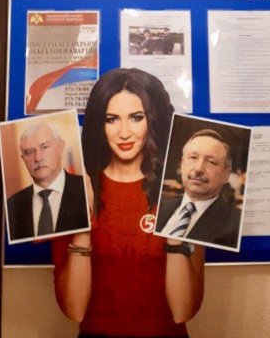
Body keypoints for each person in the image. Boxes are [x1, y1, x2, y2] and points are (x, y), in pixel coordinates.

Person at [52, 68, 204, 338]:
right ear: (99, 124)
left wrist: (175, 223)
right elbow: (74, 310)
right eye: (111, 119)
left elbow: (184, 310)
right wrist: (82, 218)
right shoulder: (76, 188)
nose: (124, 132)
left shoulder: (182, 189)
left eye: (136, 117)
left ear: (152, 120)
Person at [156, 129, 241, 249]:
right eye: (193, 157)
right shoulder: (157, 206)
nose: (198, 169)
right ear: (182, 164)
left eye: (211, 162)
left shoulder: (236, 224)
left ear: (226, 175)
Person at [7, 122, 88, 241]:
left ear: (60, 147)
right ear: (23, 158)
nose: (38, 158)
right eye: (29, 152)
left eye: (44, 147)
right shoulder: (11, 206)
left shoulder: (86, 191)